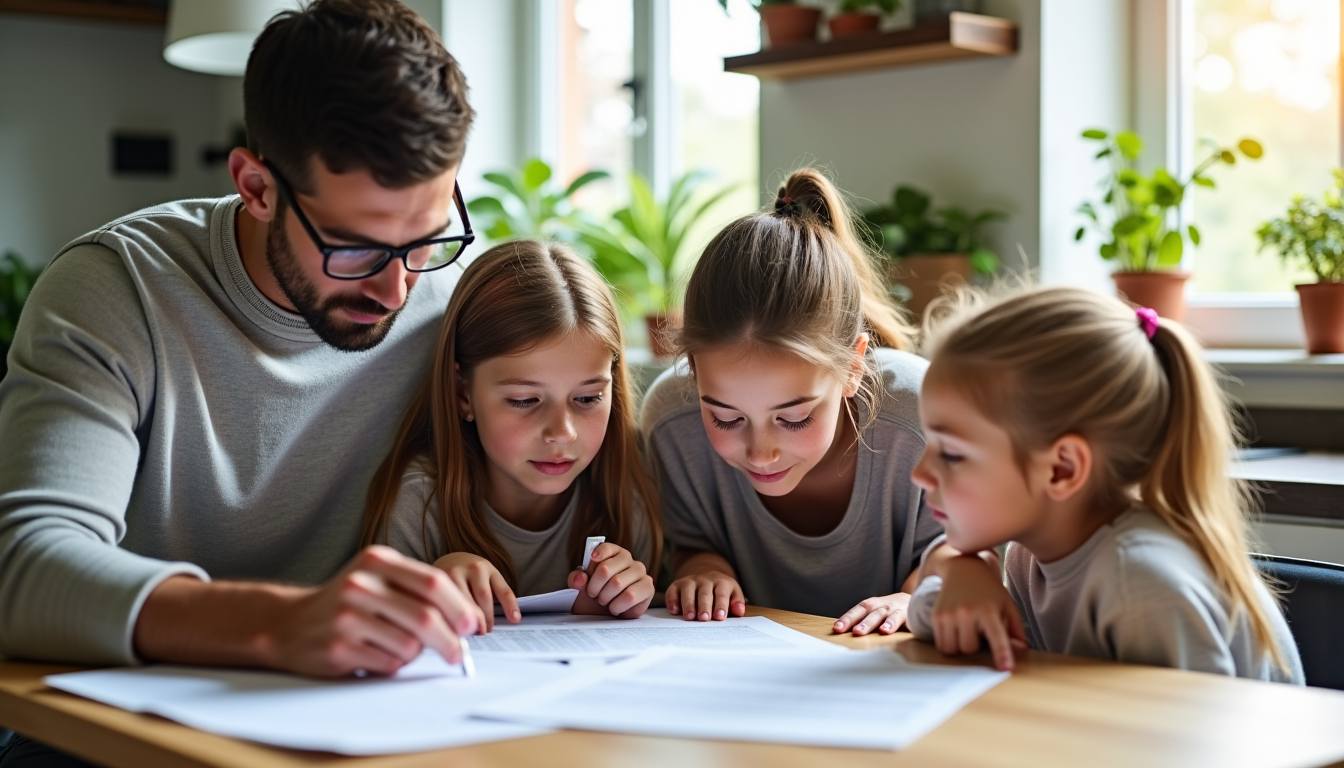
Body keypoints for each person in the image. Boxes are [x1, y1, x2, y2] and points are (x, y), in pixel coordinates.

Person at [0, 0, 485, 696]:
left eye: (427, 239)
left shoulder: (449, 301)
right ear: (256, 187)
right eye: (354, 248)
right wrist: (279, 624)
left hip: (367, 713)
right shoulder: (118, 289)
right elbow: (23, 570)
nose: (397, 289)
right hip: (116, 726)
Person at [905, 287, 1303, 683]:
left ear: (1062, 469)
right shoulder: (1031, 553)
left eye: (952, 454)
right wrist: (961, 572)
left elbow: (1188, 741)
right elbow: (989, 645)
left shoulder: (1138, 579)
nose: (919, 474)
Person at [641, 168, 970, 635]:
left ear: (853, 366)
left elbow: (960, 548)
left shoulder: (922, 413)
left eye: (794, 417)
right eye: (725, 417)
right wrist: (702, 569)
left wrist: (913, 595)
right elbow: (691, 540)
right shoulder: (671, 418)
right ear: (692, 370)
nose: (761, 452)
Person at [361, 240, 661, 628]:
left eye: (588, 398)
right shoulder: (419, 506)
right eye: (524, 400)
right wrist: (433, 585)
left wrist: (620, 601)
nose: (561, 433)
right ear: (462, 392)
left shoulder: (624, 496)